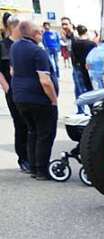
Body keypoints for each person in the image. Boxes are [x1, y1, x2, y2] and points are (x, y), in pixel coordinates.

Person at [10, 19, 58, 180]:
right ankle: (42, 170)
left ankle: (33, 167)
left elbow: (12, 71)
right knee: (45, 133)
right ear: (35, 34)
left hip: (20, 97)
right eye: (40, 32)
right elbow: (45, 80)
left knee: (32, 132)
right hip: (38, 98)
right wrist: (53, 99)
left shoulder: (15, 47)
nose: (41, 34)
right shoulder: (38, 52)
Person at [0, 14, 30, 172]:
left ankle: (32, 156)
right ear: (12, 27)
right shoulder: (3, 45)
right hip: (13, 91)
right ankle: (23, 158)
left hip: (28, 91)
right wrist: (6, 87)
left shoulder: (26, 44)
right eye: (21, 26)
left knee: (31, 124)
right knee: (20, 124)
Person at [70, 24, 95, 110]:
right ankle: (92, 107)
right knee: (91, 88)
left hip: (79, 67)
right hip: (90, 68)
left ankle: (81, 109)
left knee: (80, 88)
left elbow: (73, 56)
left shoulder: (75, 43)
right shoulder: (91, 44)